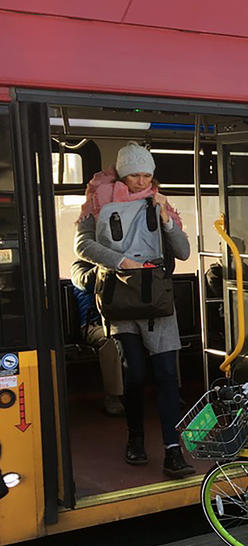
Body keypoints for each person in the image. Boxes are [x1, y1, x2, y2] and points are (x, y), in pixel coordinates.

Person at [74, 142, 195, 479]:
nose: (142, 182)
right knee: (136, 374)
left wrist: (166, 219)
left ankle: (173, 450)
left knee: (169, 377)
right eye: (135, 175)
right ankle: (136, 439)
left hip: (157, 300)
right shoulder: (98, 202)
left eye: (147, 175)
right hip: (122, 298)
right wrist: (121, 261)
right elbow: (82, 245)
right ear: (122, 174)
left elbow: (183, 251)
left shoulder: (159, 203)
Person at [70, 259, 125, 416]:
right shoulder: (80, 266)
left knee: (164, 336)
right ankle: (113, 397)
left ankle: (171, 390)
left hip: (123, 321)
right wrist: (107, 265)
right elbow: (84, 282)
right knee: (111, 342)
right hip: (94, 325)